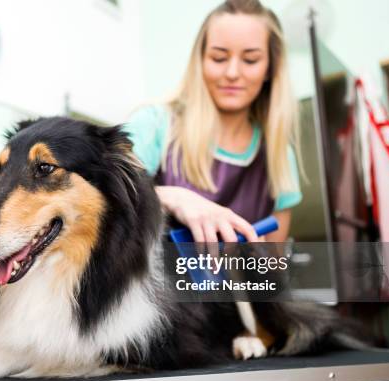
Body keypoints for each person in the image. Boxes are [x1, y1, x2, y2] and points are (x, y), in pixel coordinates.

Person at [126, 0, 302, 243]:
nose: (232, 72)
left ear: (270, 68)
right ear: (200, 60)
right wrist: (173, 198)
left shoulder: (280, 154)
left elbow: (271, 265)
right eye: (219, 58)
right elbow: (107, 202)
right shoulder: (154, 124)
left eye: (250, 60)